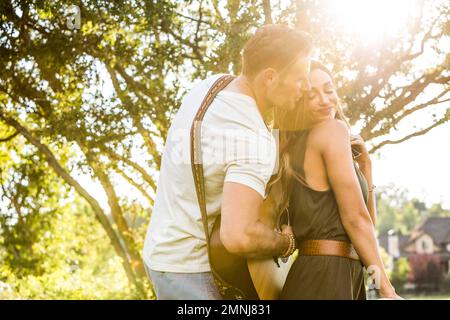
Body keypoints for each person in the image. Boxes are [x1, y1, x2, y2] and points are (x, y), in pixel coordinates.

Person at [142, 24, 313, 300]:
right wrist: (286, 242)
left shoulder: (211, 86)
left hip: (160, 253)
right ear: (270, 77)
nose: (305, 88)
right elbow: (239, 236)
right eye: (300, 78)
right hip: (191, 270)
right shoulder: (251, 137)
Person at [267, 61, 402, 300]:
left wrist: (365, 168)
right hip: (328, 277)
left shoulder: (296, 147)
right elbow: (356, 220)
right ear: (299, 101)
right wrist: (386, 289)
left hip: (333, 273)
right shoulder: (332, 130)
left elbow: (367, 223)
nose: (324, 99)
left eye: (329, 90)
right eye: (311, 95)